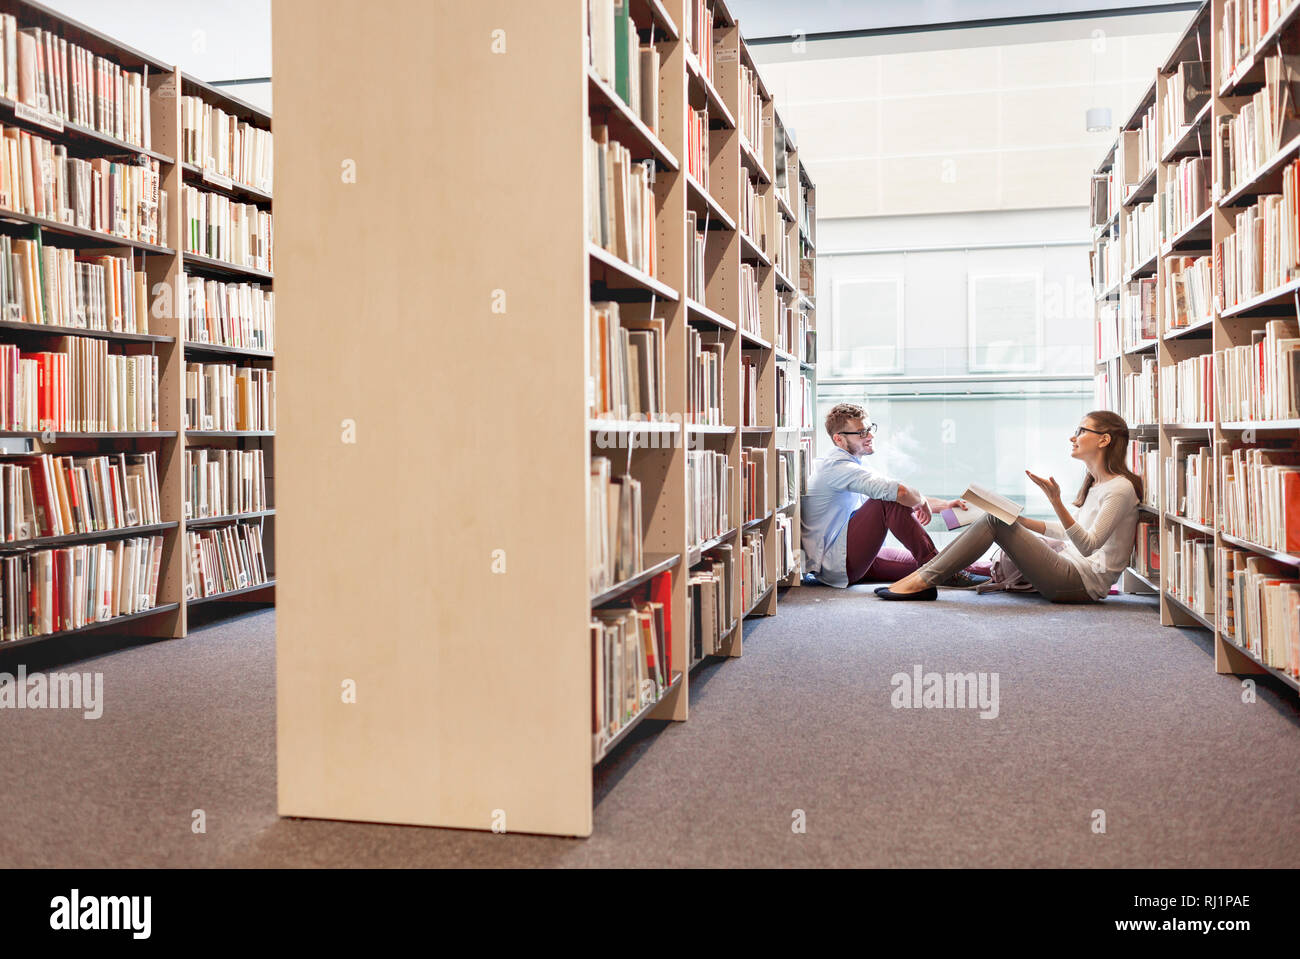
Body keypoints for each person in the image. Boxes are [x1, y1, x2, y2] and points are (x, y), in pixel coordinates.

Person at [875, 409, 1141, 603]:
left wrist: (1055, 501)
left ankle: (923, 580)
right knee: (995, 518)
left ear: (1104, 440)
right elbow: (1067, 531)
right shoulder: (1097, 483)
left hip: (1079, 584)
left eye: (1082, 431)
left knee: (993, 522)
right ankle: (925, 577)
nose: (1074, 438)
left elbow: (1087, 545)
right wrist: (1018, 521)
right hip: (1067, 566)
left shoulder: (1119, 489)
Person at [800, 403, 986, 588]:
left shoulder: (856, 465)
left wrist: (944, 506)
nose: (870, 436)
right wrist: (920, 500)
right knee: (888, 502)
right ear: (839, 439)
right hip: (838, 563)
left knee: (949, 560)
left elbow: (900, 492)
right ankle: (942, 572)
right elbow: (898, 493)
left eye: (870, 429)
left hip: (857, 554)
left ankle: (1004, 571)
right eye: (861, 432)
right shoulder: (837, 467)